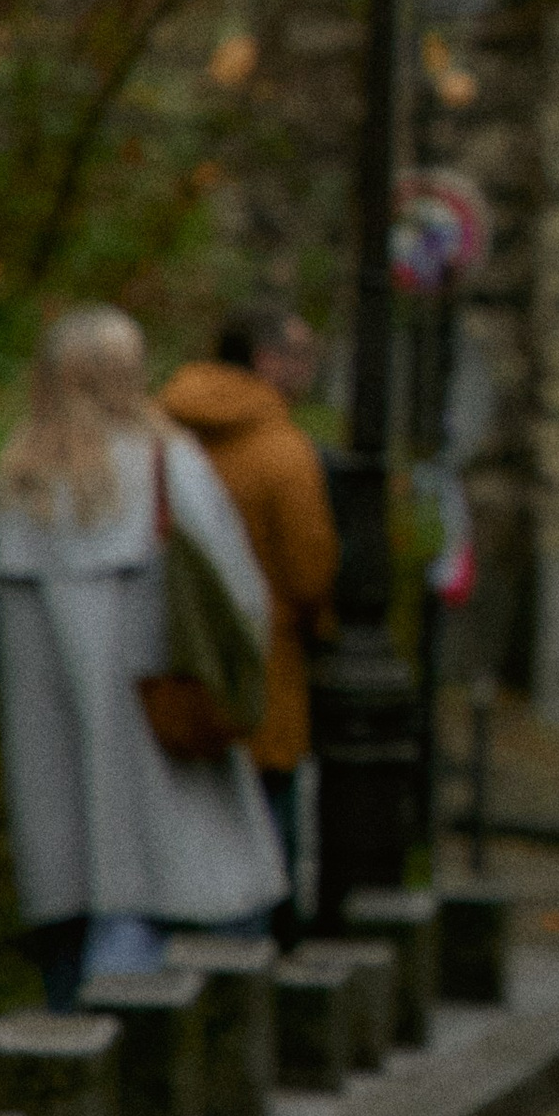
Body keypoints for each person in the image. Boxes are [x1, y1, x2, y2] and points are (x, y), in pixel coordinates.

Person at [0, 305, 286, 1013]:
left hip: (50, 751)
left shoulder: (12, 482)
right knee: (171, 889)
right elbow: (238, 598)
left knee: (71, 899)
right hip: (161, 732)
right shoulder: (166, 464)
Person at [159, 302, 339, 904]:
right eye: (301, 356)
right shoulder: (283, 450)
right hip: (265, 665)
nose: (308, 371)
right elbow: (311, 573)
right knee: (268, 821)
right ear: (267, 361)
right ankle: (261, 955)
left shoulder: (163, 433)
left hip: (171, 661)